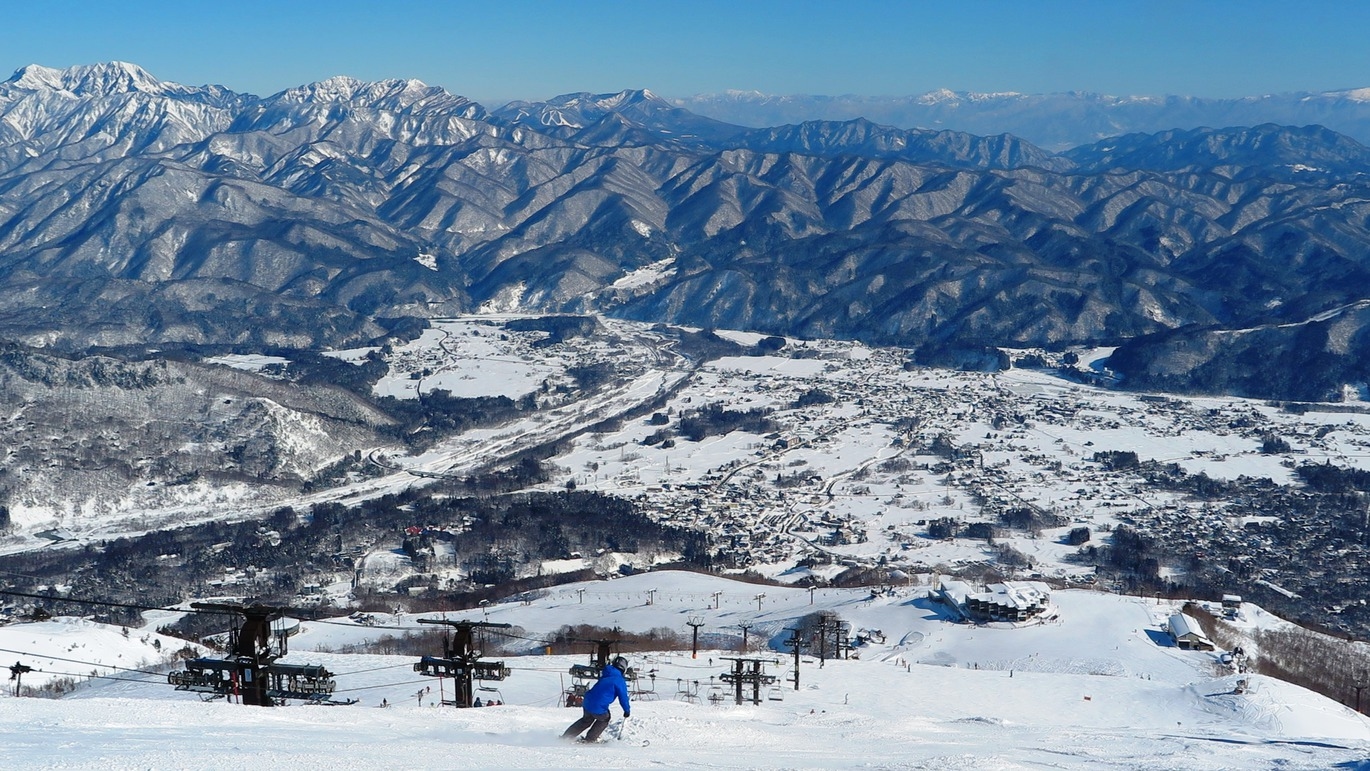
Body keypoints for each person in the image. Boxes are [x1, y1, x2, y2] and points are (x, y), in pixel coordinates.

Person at [562, 656, 631, 742]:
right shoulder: (619, 680)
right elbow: (623, 697)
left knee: (586, 720)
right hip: (598, 705)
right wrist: (627, 710)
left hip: (588, 700)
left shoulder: (606, 673)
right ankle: (590, 739)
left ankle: (566, 737)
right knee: (605, 718)